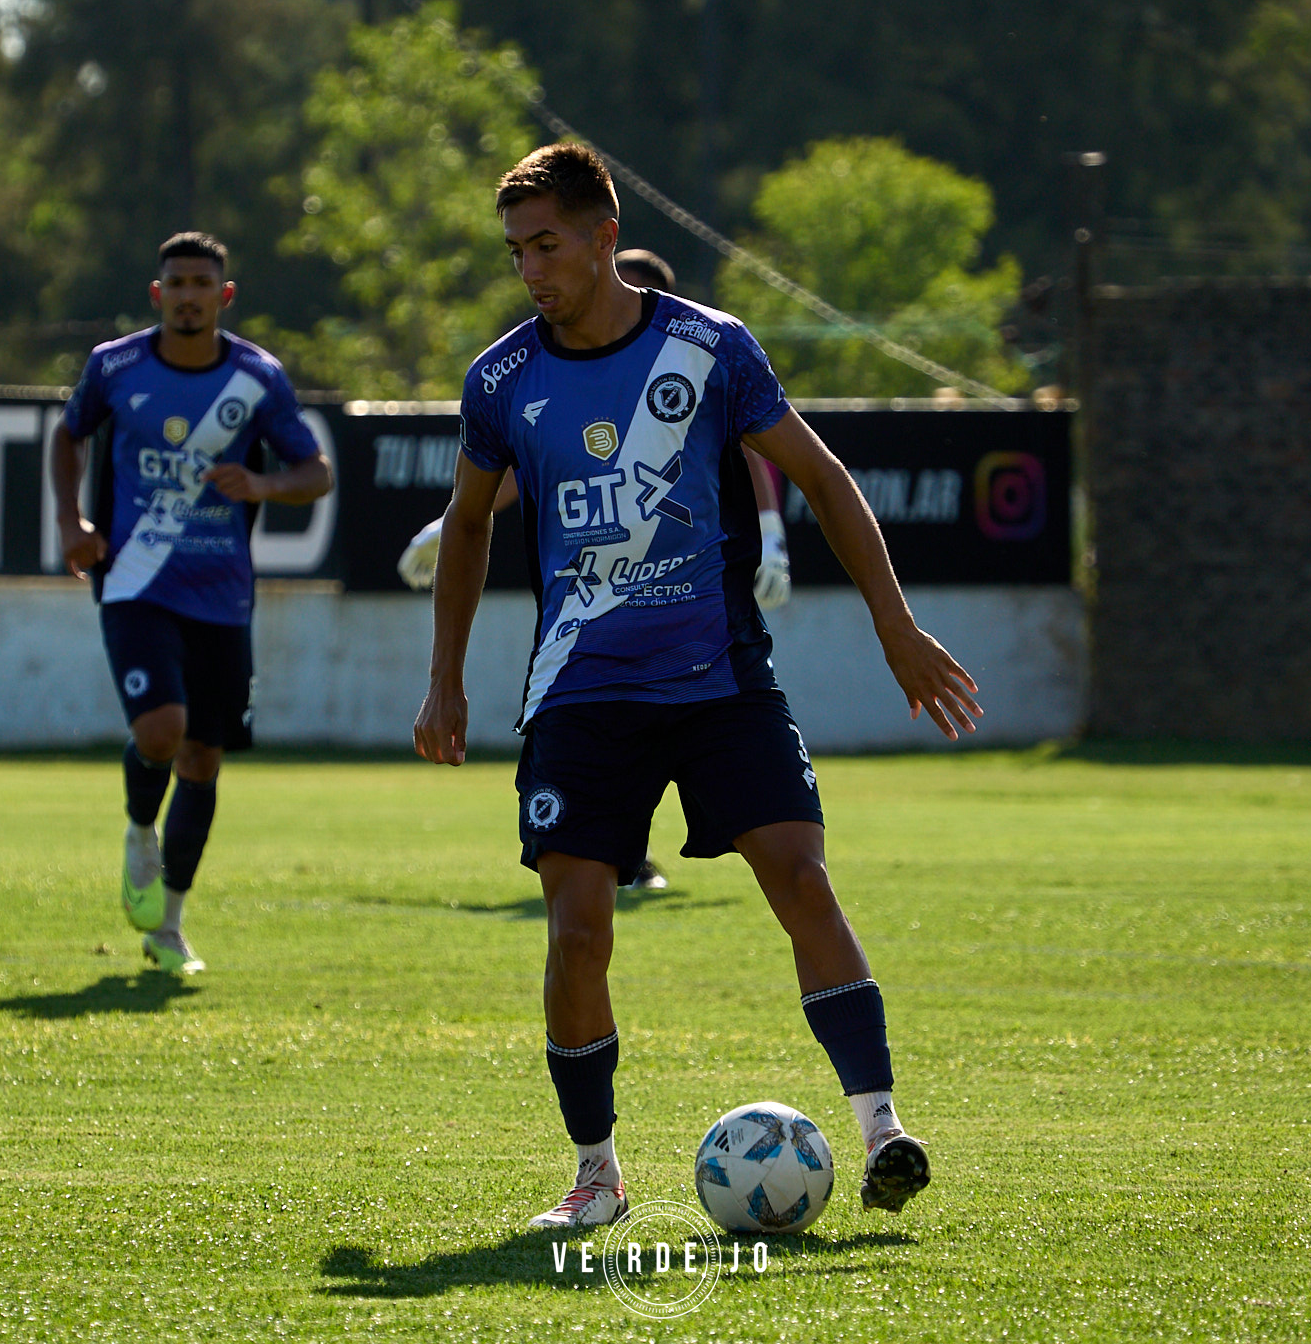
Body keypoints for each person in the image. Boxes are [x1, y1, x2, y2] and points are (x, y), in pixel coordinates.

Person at [412, 144, 981, 1228]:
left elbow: (818, 476)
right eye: (515, 250)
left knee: (800, 878)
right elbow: (472, 523)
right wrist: (443, 680)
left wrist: (894, 626)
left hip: (720, 682)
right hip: (580, 697)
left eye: (546, 245)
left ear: (600, 236)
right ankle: (594, 1176)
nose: (530, 269)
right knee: (577, 929)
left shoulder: (708, 349)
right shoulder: (500, 380)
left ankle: (880, 1127)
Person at [396, 247, 789, 896]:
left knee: (795, 867)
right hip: (590, 647)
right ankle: (626, 854)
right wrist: (447, 527)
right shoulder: (531, 372)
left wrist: (772, 536)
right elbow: (521, 474)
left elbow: (759, 451)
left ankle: (639, 852)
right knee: (581, 899)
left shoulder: (698, 357)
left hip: (705, 646)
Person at [51, 231, 333, 976]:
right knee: (161, 731)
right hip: (136, 579)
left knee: (204, 759)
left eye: (201, 284)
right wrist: (70, 521)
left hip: (222, 593)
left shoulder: (256, 377)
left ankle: (169, 922)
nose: (187, 295)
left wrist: (264, 485)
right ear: (156, 293)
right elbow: (67, 433)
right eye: (174, 282)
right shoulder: (114, 366)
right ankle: (140, 826)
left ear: (224, 296)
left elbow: (316, 471)